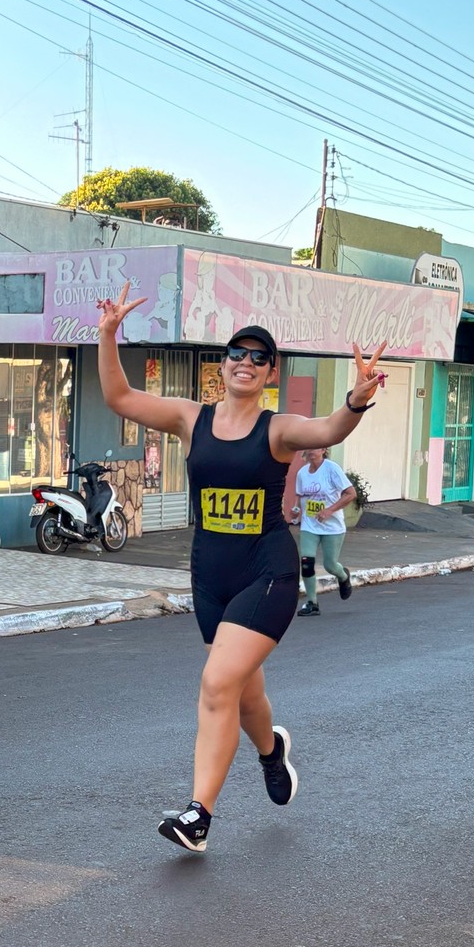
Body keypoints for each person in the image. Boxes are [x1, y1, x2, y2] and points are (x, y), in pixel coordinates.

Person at [96, 284, 385, 853]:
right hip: (210, 576)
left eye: (259, 357)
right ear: (221, 365)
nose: (246, 362)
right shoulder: (190, 417)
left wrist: (356, 398)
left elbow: (327, 430)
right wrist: (108, 335)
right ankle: (271, 751)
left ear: (269, 371)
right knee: (244, 693)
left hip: (268, 571)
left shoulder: (276, 429)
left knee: (216, 682)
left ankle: (198, 815)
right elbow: (120, 398)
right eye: (237, 353)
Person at [289, 446, 357, 615]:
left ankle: (343, 576)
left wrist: (329, 510)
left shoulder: (331, 469)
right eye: (309, 447)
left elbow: (350, 494)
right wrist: (296, 510)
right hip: (309, 526)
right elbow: (300, 497)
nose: (312, 450)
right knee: (306, 562)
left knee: (330, 565)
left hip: (332, 527)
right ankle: (312, 602)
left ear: (324, 450)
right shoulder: (302, 473)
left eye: (316, 447)